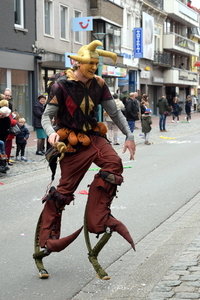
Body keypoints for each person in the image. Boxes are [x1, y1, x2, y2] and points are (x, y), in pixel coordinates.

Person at [34, 40, 136, 279]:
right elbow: (47, 117)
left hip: (92, 136)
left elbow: (114, 112)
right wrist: (51, 135)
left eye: (96, 63)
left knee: (114, 164)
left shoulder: (99, 84)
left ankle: (98, 218)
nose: (94, 67)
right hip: (70, 142)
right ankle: (47, 239)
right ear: (78, 62)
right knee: (63, 192)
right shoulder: (60, 85)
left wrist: (129, 135)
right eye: (90, 63)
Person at [0, 106, 11, 173]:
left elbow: (8, 128)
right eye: (0, 114)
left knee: (2, 151)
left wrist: (5, 136)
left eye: (2, 115)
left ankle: (3, 164)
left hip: (3, 137)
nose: (0, 116)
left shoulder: (7, 119)